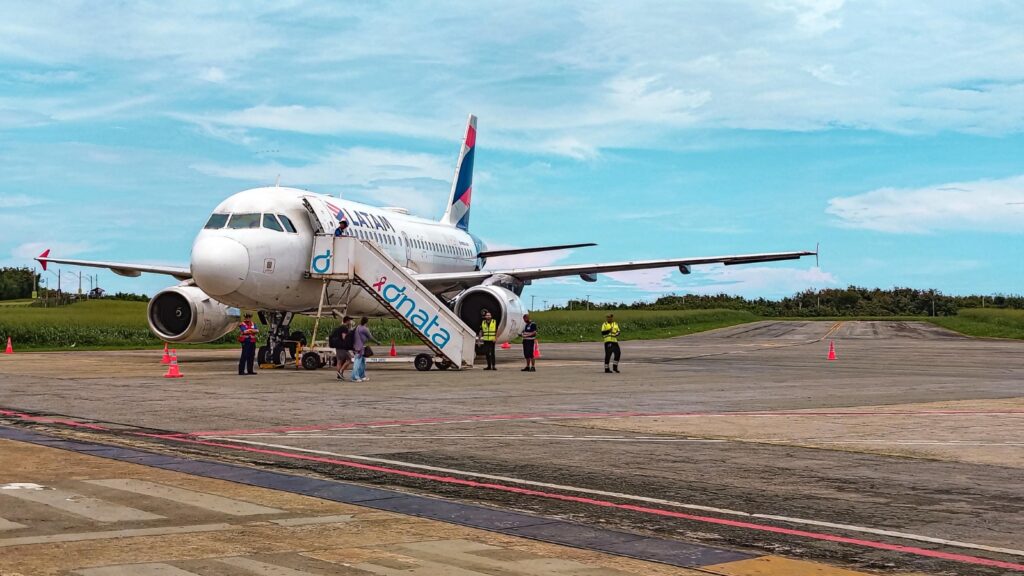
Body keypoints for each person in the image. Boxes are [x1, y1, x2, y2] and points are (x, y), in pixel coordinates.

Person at [351, 317, 380, 382]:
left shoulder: (357, 327)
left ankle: (362, 376)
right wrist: (377, 342)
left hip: (357, 347)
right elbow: (370, 337)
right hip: (359, 348)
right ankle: (354, 377)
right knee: (357, 363)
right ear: (366, 322)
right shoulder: (364, 329)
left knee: (362, 363)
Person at [329, 316, 354, 380]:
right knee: (349, 359)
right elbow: (343, 337)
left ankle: (339, 376)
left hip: (337, 346)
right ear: (347, 321)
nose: (350, 322)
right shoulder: (344, 328)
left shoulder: (339, 327)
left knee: (339, 361)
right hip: (342, 347)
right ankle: (340, 371)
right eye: (350, 321)